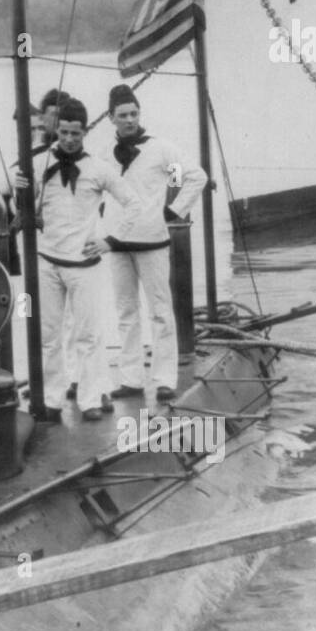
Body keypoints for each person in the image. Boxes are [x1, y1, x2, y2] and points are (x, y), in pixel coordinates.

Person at [15, 99, 143, 420]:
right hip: (47, 262)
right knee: (49, 335)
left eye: (75, 133)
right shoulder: (40, 162)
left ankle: (89, 400)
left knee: (88, 336)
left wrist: (109, 241)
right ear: (55, 130)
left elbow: (134, 205)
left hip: (84, 265)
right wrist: (19, 189)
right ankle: (52, 400)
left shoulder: (99, 168)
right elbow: (19, 204)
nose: (69, 139)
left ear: (84, 131)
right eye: (64, 132)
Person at [99, 83, 208, 402]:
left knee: (160, 311)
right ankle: (131, 378)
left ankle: (164, 378)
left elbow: (194, 176)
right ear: (111, 118)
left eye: (134, 113)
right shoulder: (105, 153)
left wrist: (172, 210)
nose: (130, 120)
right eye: (123, 115)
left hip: (152, 242)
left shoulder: (160, 149)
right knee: (126, 311)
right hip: (117, 243)